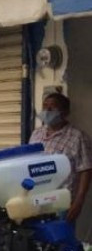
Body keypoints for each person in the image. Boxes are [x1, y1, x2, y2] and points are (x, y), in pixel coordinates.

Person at [30, 92, 92, 224]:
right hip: (37, 200)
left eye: (53, 107)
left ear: (65, 112)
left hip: (61, 202)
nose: (47, 110)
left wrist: (78, 202)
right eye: (45, 106)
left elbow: (85, 170)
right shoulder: (36, 134)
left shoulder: (77, 137)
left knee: (61, 240)